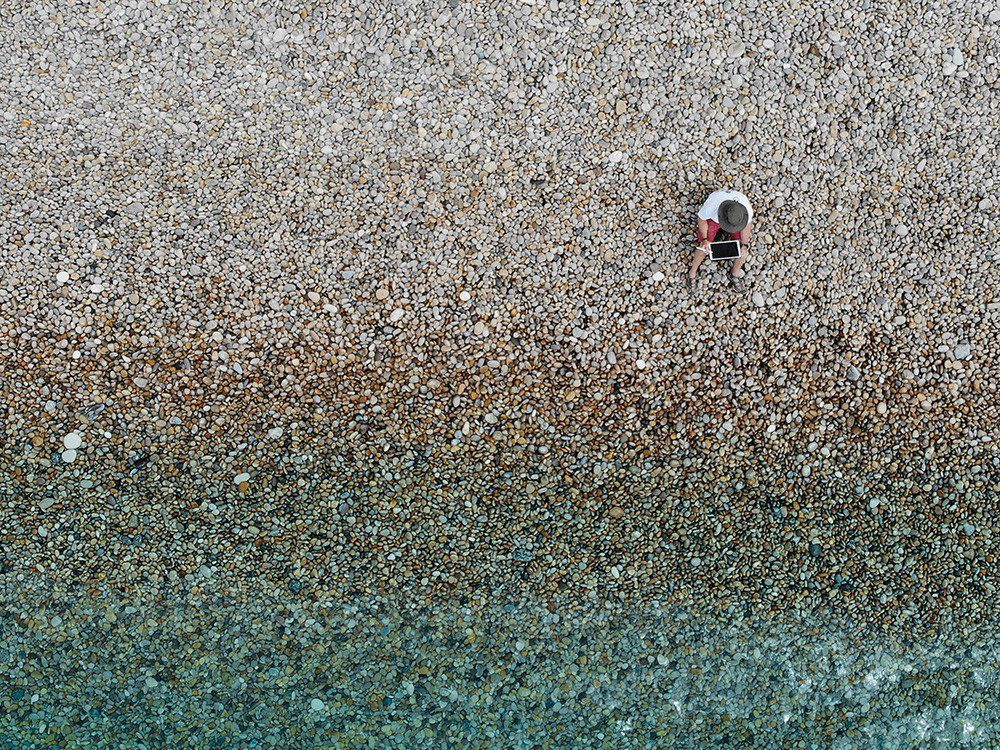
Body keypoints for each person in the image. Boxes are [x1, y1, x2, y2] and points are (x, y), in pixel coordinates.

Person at [686, 188, 753, 291]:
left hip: (734, 221)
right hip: (713, 220)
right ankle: (692, 273)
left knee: (742, 250)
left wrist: (744, 245)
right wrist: (704, 239)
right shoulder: (712, 206)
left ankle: (734, 274)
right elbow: (701, 219)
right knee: (703, 248)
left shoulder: (746, 211)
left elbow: (747, 226)